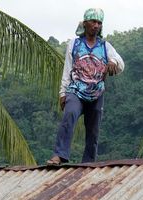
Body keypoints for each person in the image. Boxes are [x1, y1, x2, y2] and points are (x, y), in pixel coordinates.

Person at [47, 8, 124, 165]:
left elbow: (120, 63)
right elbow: (67, 69)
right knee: (70, 114)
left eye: (99, 23)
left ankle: (88, 162)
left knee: (93, 129)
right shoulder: (74, 44)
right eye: (93, 22)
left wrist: (113, 62)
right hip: (76, 90)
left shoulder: (105, 46)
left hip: (96, 93)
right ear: (85, 23)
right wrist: (63, 93)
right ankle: (59, 155)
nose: (96, 25)